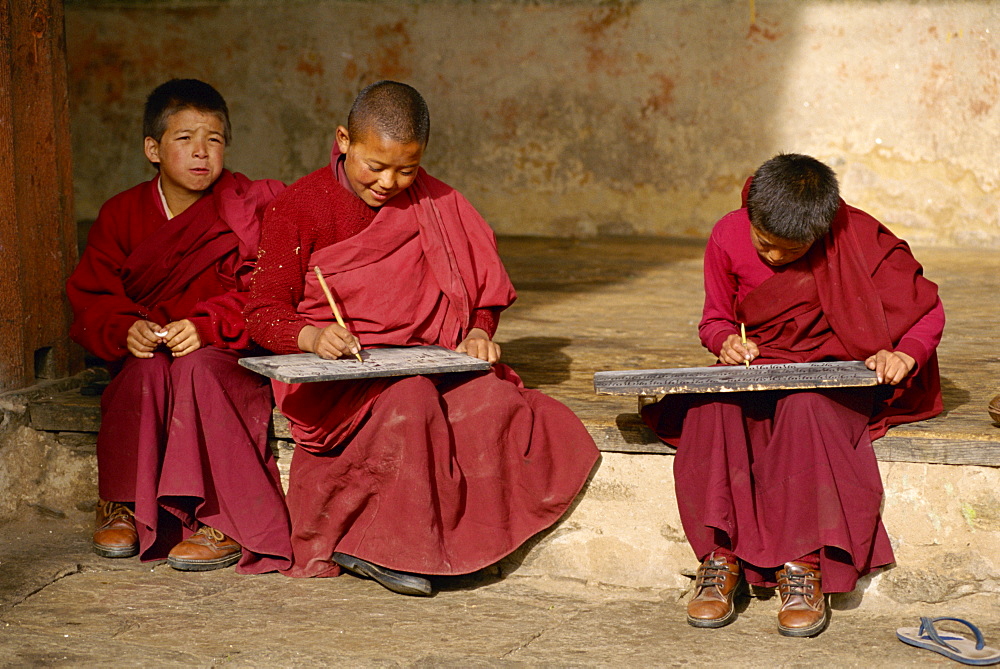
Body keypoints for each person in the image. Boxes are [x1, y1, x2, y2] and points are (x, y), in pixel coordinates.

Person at [245, 80, 600, 596]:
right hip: (340, 371)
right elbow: (262, 312)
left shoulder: (439, 203)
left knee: (494, 401)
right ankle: (378, 548)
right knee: (410, 402)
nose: (390, 182)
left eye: (406, 169)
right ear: (343, 140)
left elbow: (478, 291)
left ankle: (465, 544)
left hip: (427, 357)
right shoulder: (300, 207)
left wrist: (480, 331)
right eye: (376, 166)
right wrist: (310, 337)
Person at [641, 154, 944, 637]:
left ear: (821, 230)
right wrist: (724, 341)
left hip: (835, 371)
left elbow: (926, 309)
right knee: (710, 407)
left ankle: (803, 565)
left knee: (805, 409)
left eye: (792, 249)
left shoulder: (857, 237)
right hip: (757, 366)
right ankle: (721, 559)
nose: (776, 257)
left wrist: (905, 354)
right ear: (752, 217)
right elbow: (714, 318)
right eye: (766, 245)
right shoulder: (728, 234)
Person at [66, 79, 292, 574]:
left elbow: (267, 290)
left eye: (213, 139)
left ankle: (221, 520)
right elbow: (94, 297)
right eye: (184, 138)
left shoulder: (245, 207)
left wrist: (211, 325)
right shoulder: (122, 214)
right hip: (148, 351)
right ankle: (123, 504)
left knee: (198, 371)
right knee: (143, 375)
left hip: (223, 351)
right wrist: (127, 329)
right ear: (153, 148)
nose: (200, 153)